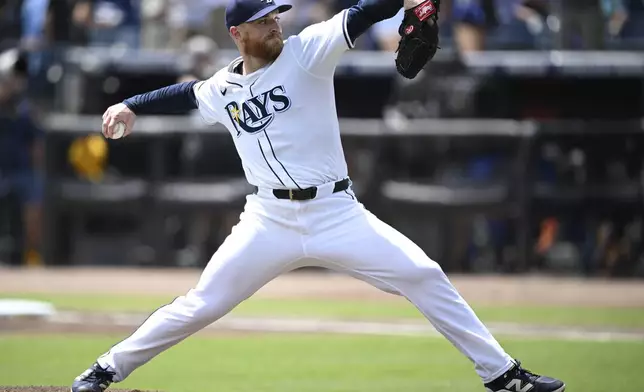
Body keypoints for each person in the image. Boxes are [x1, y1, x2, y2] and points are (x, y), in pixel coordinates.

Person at [71, 0, 566, 391]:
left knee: (423, 273)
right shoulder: (222, 88)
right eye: (263, 22)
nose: (275, 27)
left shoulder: (308, 51)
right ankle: (105, 369)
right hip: (267, 220)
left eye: (276, 16)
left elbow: (363, 12)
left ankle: (502, 376)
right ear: (237, 34)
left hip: (335, 212)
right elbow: (185, 93)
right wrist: (129, 105)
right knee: (201, 304)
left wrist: (413, 2)